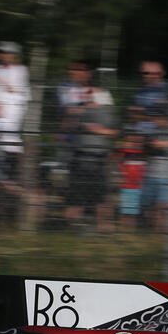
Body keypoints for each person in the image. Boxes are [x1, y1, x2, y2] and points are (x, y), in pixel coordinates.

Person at [64, 84, 118, 231]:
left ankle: (105, 229)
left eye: (92, 93)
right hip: (80, 157)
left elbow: (111, 130)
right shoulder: (78, 111)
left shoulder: (105, 111)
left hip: (99, 158)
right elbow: (68, 124)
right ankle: (74, 228)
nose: (89, 96)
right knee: (77, 197)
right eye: (87, 94)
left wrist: (100, 130)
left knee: (100, 196)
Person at [0, 41, 29, 156]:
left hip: (11, 111)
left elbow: (13, 89)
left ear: (13, 55)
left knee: (8, 140)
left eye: (3, 52)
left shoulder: (20, 70)